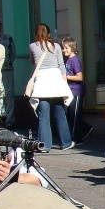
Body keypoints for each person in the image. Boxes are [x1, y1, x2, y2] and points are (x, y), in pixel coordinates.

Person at [28, 23, 74, 152]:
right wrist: (64, 82)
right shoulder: (56, 46)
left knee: (43, 115)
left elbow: (33, 61)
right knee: (60, 113)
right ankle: (65, 142)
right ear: (48, 34)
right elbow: (61, 64)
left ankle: (44, 145)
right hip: (56, 79)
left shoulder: (32, 46)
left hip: (42, 81)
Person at [62, 37, 93, 143]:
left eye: (66, 48)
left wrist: (67, 77)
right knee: (71, 115)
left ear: (72, 48)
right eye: (63, 48)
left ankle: (75, 138)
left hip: (76, 91)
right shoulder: (68, 60)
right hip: (70, 91)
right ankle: (85, 128)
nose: (64, 50)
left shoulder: (74, 60)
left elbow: (80, 77)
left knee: (75, 116)